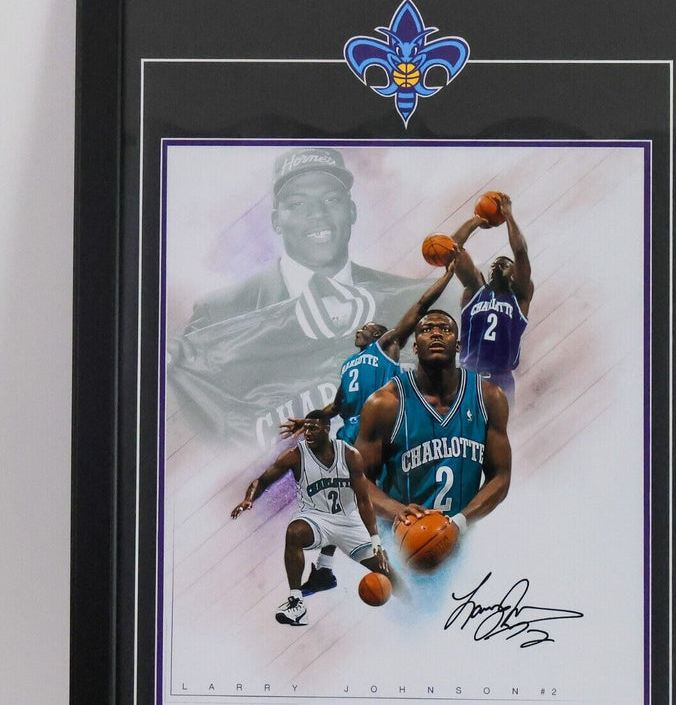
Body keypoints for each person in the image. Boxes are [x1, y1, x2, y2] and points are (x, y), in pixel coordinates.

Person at [168, 146, 448, 450]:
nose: (317, 214)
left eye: (331, 200)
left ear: (352, 211)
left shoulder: (407, 301)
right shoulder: (221, 314)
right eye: (298, 203)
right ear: (276, 221)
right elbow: (198, 431)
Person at [354, 310, 512, 541]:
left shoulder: (489, 397)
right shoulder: (384, 403)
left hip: (463, 537)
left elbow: (500, 477)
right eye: (427, 330)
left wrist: (460, 522)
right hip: (402, 541)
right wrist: (398, 511)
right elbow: (359, 478)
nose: (436, 333)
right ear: (415, 347)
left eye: (445, 329)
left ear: (457, 346)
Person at [230, 411, 392, 627]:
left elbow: (364, 500)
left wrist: (375, 540)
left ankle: (325, 572)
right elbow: (262, 480)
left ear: (326, 430)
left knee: (390, 575)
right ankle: (297, 603)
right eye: (305, 428)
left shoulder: (349, 454)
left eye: (313, 428)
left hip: (347, 520)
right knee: (295, 532)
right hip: (316, 519)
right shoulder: (295, 455)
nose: (307, 433)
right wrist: (248, 499)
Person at [278, 255, 458, 447]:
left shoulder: (385, 347)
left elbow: (420, 306)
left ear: (378, 334)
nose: (358, 331)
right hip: (350, 431)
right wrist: (309, 421)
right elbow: (337, 406)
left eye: (365, 328)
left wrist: (447, 276)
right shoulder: (348, 364)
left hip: (381, 421)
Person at [449, 193, 534, 405]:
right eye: (495, 262)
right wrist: (477, 220)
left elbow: (520, 251)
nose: (498, 263)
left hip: (501, 379)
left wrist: (508, 216)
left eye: (506, 263)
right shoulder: (475, 291)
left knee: (504, 427)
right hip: (468, 376)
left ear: (515, 274)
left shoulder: (520, 298)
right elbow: (452, 249)